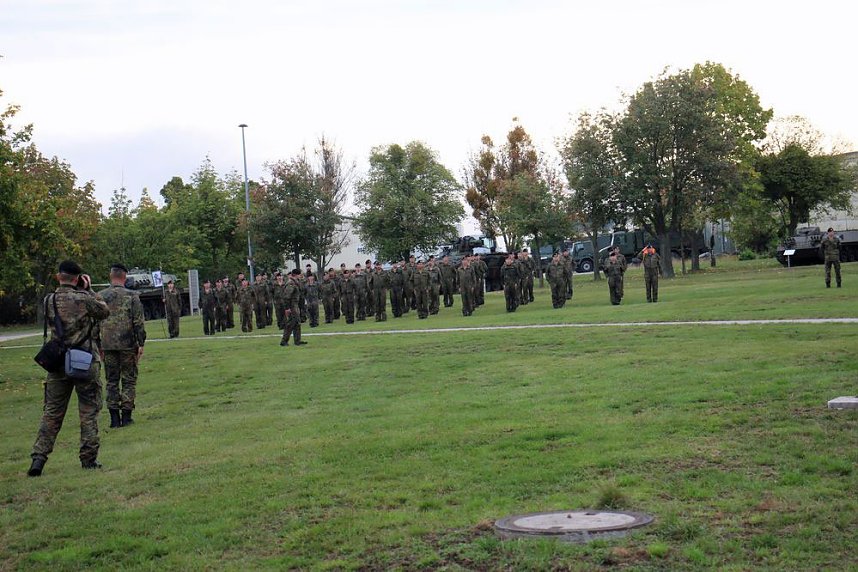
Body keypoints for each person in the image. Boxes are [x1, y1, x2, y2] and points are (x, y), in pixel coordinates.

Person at [28, 260, 110, 476]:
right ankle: (88, 458)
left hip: (57, 362)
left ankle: (39, 458)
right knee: (88, 411)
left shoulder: (48, 300)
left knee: (52, 412)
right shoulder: (84, 299)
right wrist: (90, 289)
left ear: (58, 277)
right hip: (83, 361)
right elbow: (104, 311)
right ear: (78, 279)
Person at [97, 263, 146, 429]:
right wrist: (141, 343)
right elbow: (138, 322)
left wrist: (98, 345)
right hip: (127, 345)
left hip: (107, 345)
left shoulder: (100, 296)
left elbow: (94, 323)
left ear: (111, 276)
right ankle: (126, 416)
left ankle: (114, 419)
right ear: (124, 277)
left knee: (111, 381)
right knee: (128, 379)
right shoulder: (132, 296)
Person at [280, 270, 307, 346]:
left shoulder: (295, 282)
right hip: (291, 306)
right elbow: (286, 297)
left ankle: (297, 341)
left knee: (297, 323)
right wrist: (287, 308)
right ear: (296, 275)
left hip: (295, 305)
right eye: (300, 275)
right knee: (291, 324)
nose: (301, 276)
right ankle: (284, 341)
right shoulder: (291, 283)